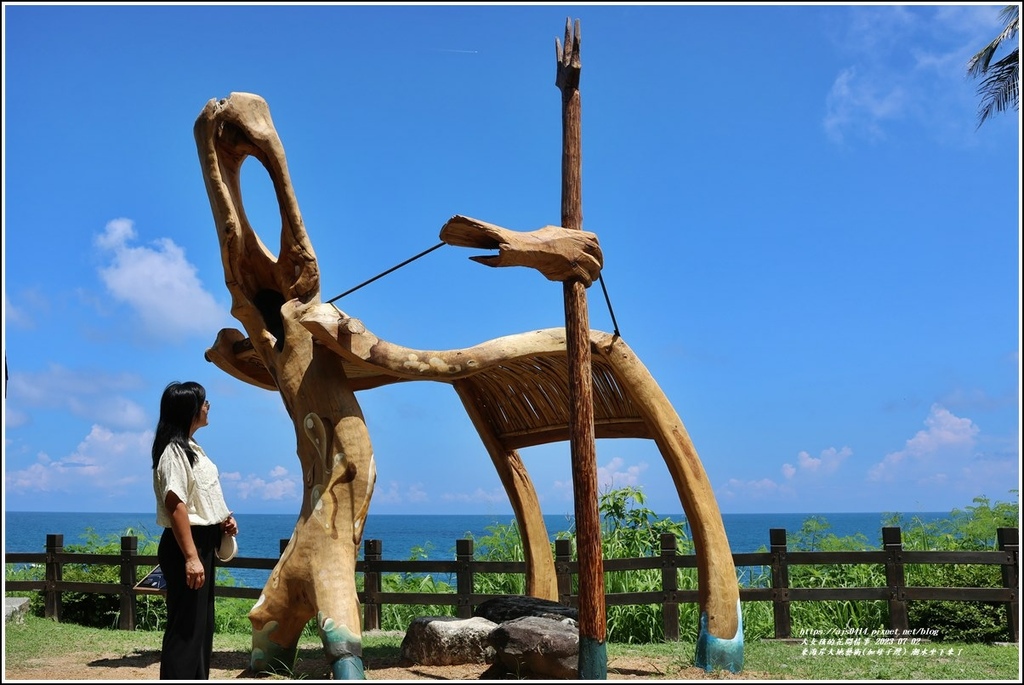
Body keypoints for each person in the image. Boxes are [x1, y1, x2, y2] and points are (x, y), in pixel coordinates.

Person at [151, 381, 238, 680]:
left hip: (201, 543)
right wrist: (190, 556)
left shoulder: (191, 447)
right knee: (186, 629)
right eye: (203, 401)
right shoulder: (174, 452)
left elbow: (199, 499)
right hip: (187, 545)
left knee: (200, 627)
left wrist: (222, 519)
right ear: (189, 410)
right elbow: (176, 505)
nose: (207, 406)